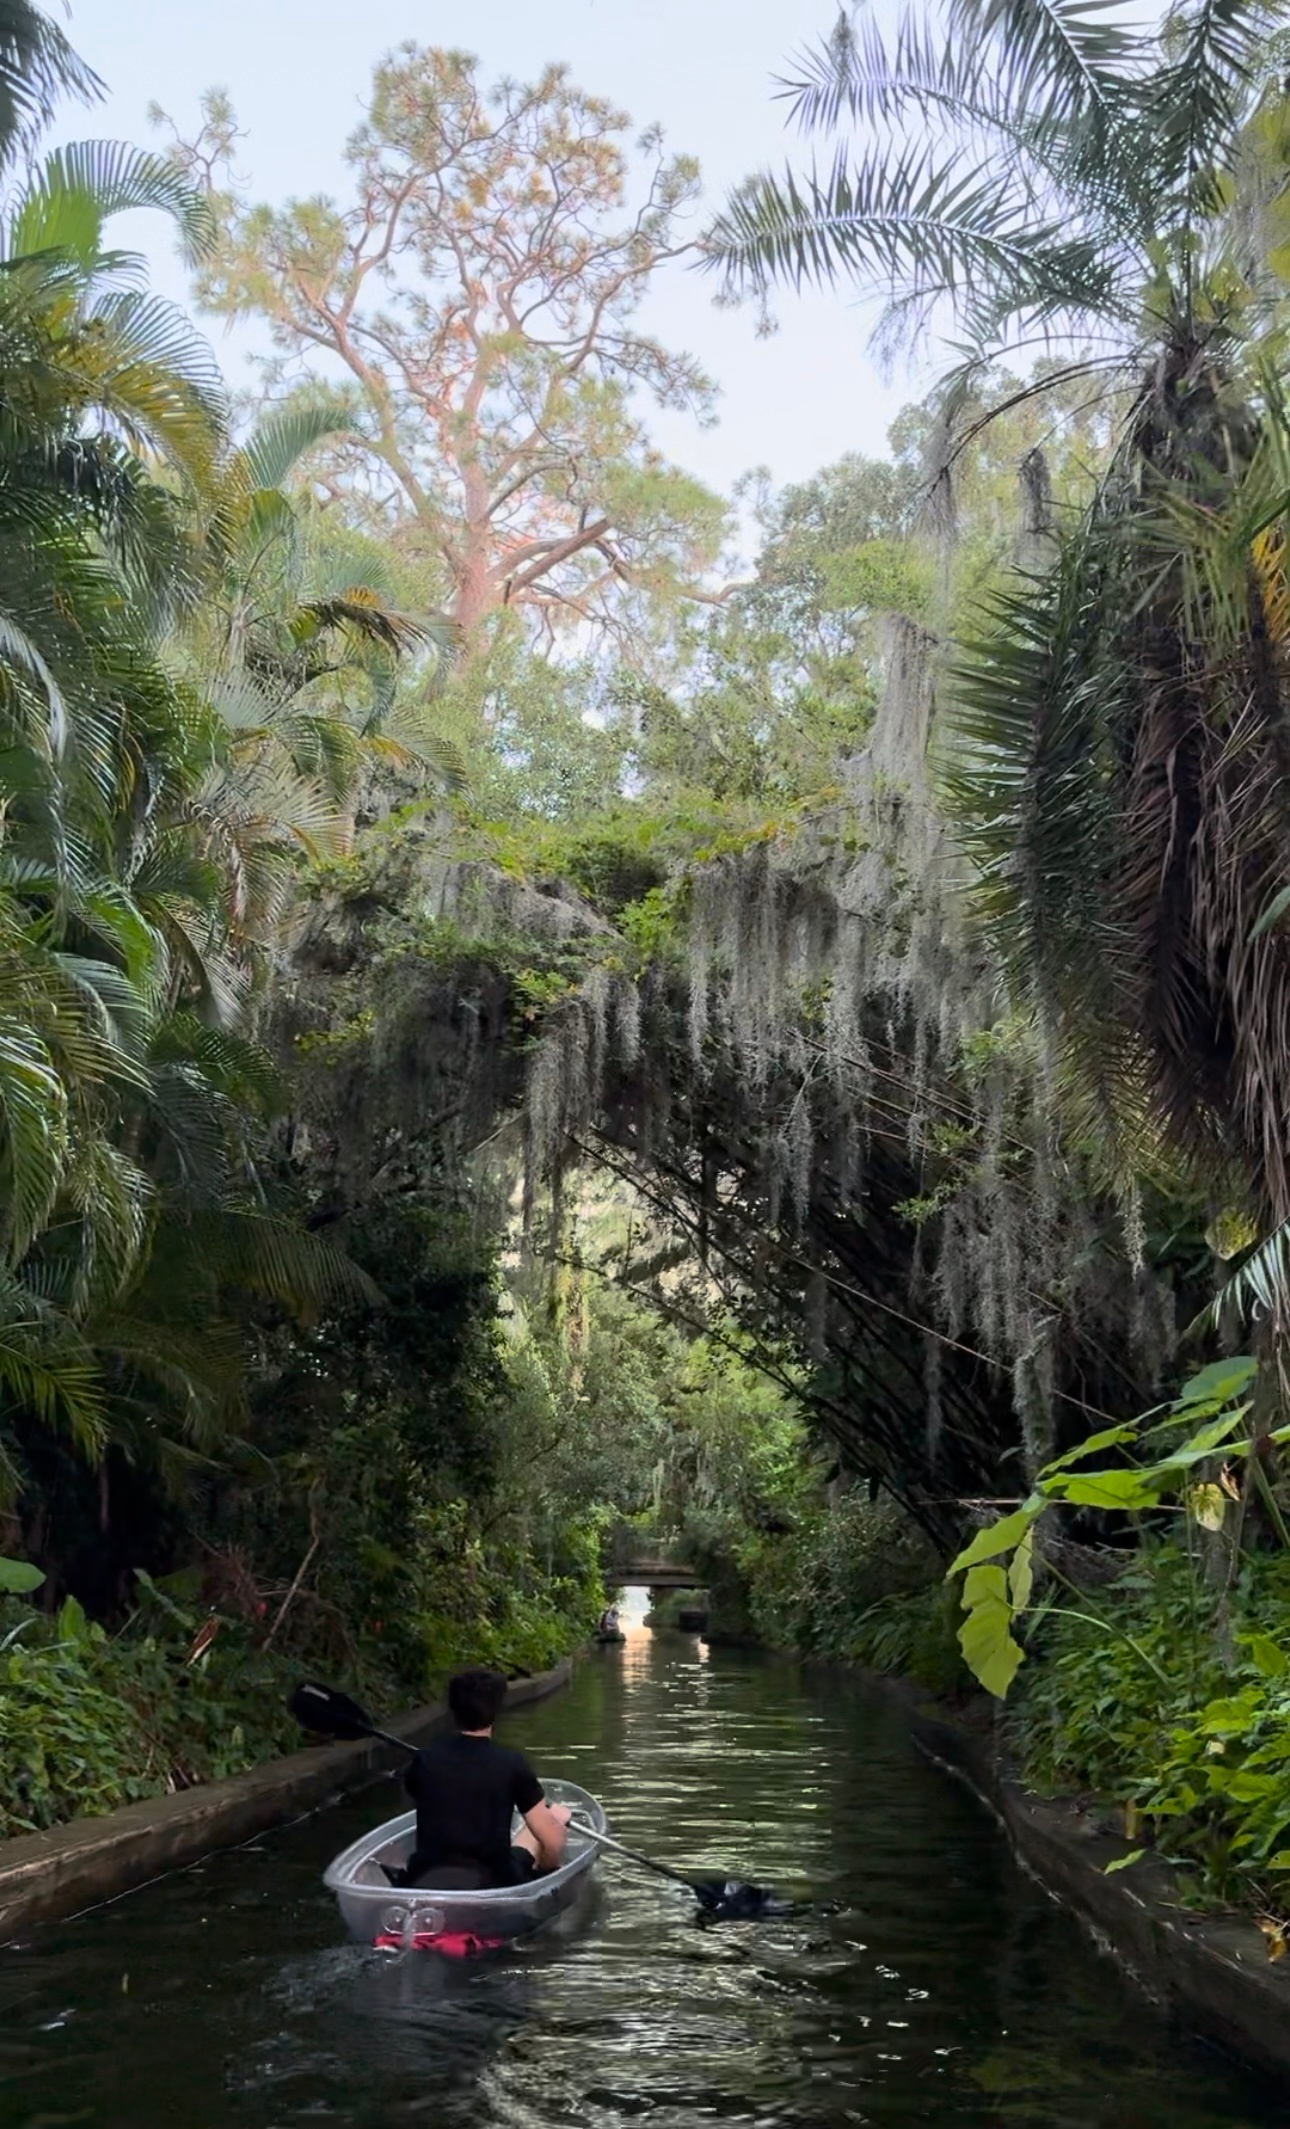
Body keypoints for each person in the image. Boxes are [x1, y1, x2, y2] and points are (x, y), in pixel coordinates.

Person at [399, 1666, 571, 1890]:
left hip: (424, 1877)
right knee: (550, 1822)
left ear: (453, 1709)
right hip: (492, 1884)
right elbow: (553, 1843)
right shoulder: (511, 1764)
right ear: (497, 1710)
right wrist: (547, 1870)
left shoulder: (423, 1761)